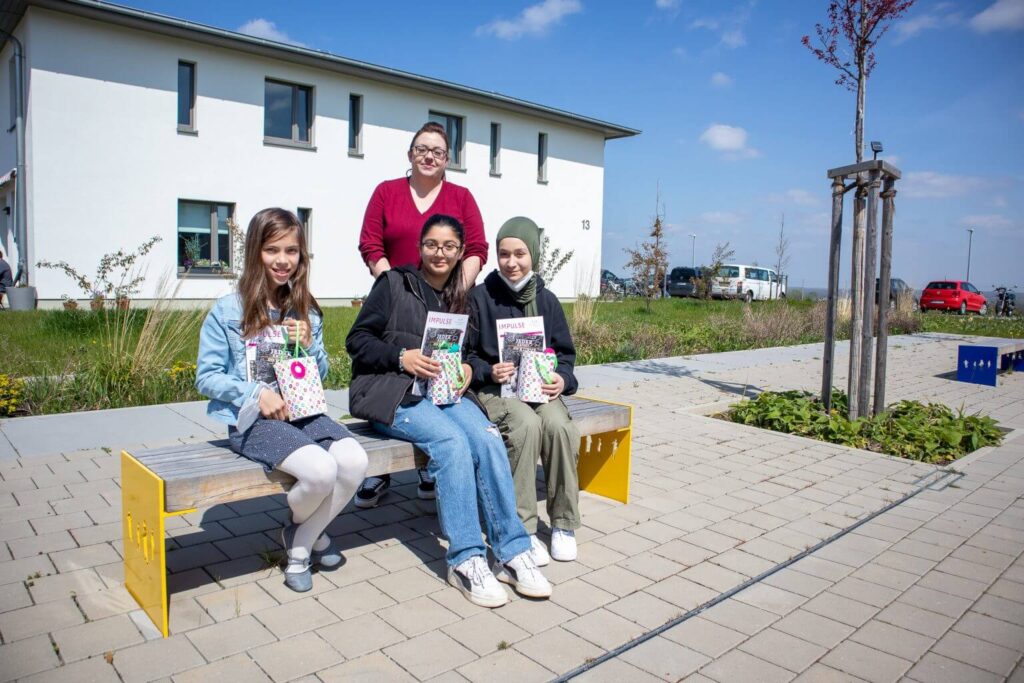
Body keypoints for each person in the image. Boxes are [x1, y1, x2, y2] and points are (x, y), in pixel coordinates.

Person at [346, 213, 551, 607]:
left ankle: (511, 551)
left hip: (444, 393)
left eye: (449, 247)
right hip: (392, 392)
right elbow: (357, 340)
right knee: (452, 443)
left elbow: (470, 352)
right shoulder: (394, 284)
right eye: (431, 245)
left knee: (487, 437)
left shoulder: (461, 298)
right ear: (420, 247)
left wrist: (471, 369)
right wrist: (401, 356)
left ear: (460, 253)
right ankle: (466, 559)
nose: (439, 253)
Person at [196, 208, 369, 593]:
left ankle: (300, 538)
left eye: (291, 251)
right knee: (321, 472)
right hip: (254, 421)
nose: (282, 260)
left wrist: (309, 345)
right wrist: (257, 393)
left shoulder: (305, 310)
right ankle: (304, 551)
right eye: (272, 250)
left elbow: (320, 375)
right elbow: (206, 377)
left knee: (355, 461)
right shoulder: (228, 311)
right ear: (255, 252)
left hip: (303, 412)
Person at [355, 121, 488, 508]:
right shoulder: (386, 192)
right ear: (410, 154)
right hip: (397, 303)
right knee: (390, 376)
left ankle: (429, 467)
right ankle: (379, 472)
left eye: (438, 151)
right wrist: (393, 284)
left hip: (445, 306)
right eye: (422, 149)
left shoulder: (461, 197)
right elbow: (370, 243)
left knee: (434, 378)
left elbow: (477, 248)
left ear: (448, 159)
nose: (429, 156)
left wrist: (457, 290)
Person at [466, 217, 581, 563]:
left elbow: (565, 355)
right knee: (526, 426)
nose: (511, 262)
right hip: (494, 390)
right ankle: (522, 528)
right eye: (504, 254)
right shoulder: (480, 298)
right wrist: (489, 370)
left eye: (520, 253)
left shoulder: (547, 300)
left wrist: (562, 379)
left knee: (559, 427)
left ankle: (563, 523)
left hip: (539, 389)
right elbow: (466, 354)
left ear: (534, 254)